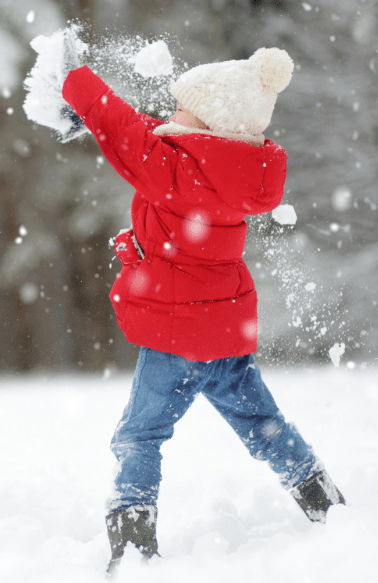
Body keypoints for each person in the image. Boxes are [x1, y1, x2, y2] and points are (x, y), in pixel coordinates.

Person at [46, 38, 345, 571]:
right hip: (223, 332)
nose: (170, 114)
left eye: (183, 108)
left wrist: (75, 80)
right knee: (263, 424)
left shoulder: (177, 171)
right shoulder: (229, 172)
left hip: (177, 337)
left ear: (208, 124)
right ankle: (323, 500)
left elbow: (124, 129)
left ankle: (134, 544)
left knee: (140, 435)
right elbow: (147, 137)